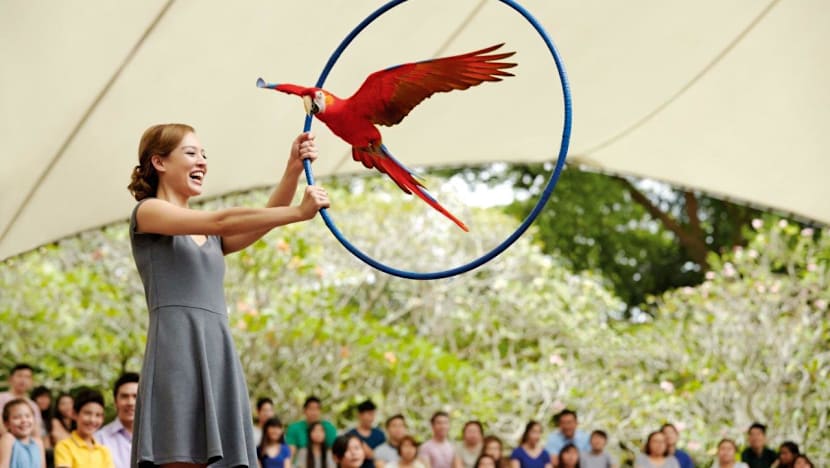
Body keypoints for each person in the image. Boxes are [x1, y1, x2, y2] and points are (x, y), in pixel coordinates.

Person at [127, 123, 329, 468]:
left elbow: (260, 222)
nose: (202, 161)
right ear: (159, 162)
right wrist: (298, 212)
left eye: (204, 154)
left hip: (217, 349)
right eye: (191, 153)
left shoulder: (210, 236)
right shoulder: (148, 212)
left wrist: (292, 171)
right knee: (180, 456)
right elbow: (222, 220)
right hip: (177, 349)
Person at [53, 389, 113, 468]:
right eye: (87, 413)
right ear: (74, 414)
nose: (92, 420)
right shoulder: (64, 446)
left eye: (98, 415)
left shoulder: (104, 451)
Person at [96, 373, 138, 468]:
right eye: (124, 396)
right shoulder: (99, 439)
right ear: (115, 401)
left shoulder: (157, 438)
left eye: (136, 396)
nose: (130, 402)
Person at [0, 398, 46, 468]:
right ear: (7, 424)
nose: (24, 420)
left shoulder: (38, 442)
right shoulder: (8, 439)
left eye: (28, 416)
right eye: (17, 417)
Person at [0, 365, 42, 439]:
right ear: (10, 379)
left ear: (31, 381)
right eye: (20, 376)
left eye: (27, 377)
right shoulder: (1, 398)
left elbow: (36, 432)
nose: (23, 380)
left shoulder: (33, 405)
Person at [347, 400, 386, 468]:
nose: (372, 418)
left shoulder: (380, 435)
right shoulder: (350, 435)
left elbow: (384, 457)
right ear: (359, 415)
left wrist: (372, 454)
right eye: (369, 414)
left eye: (373, 414)